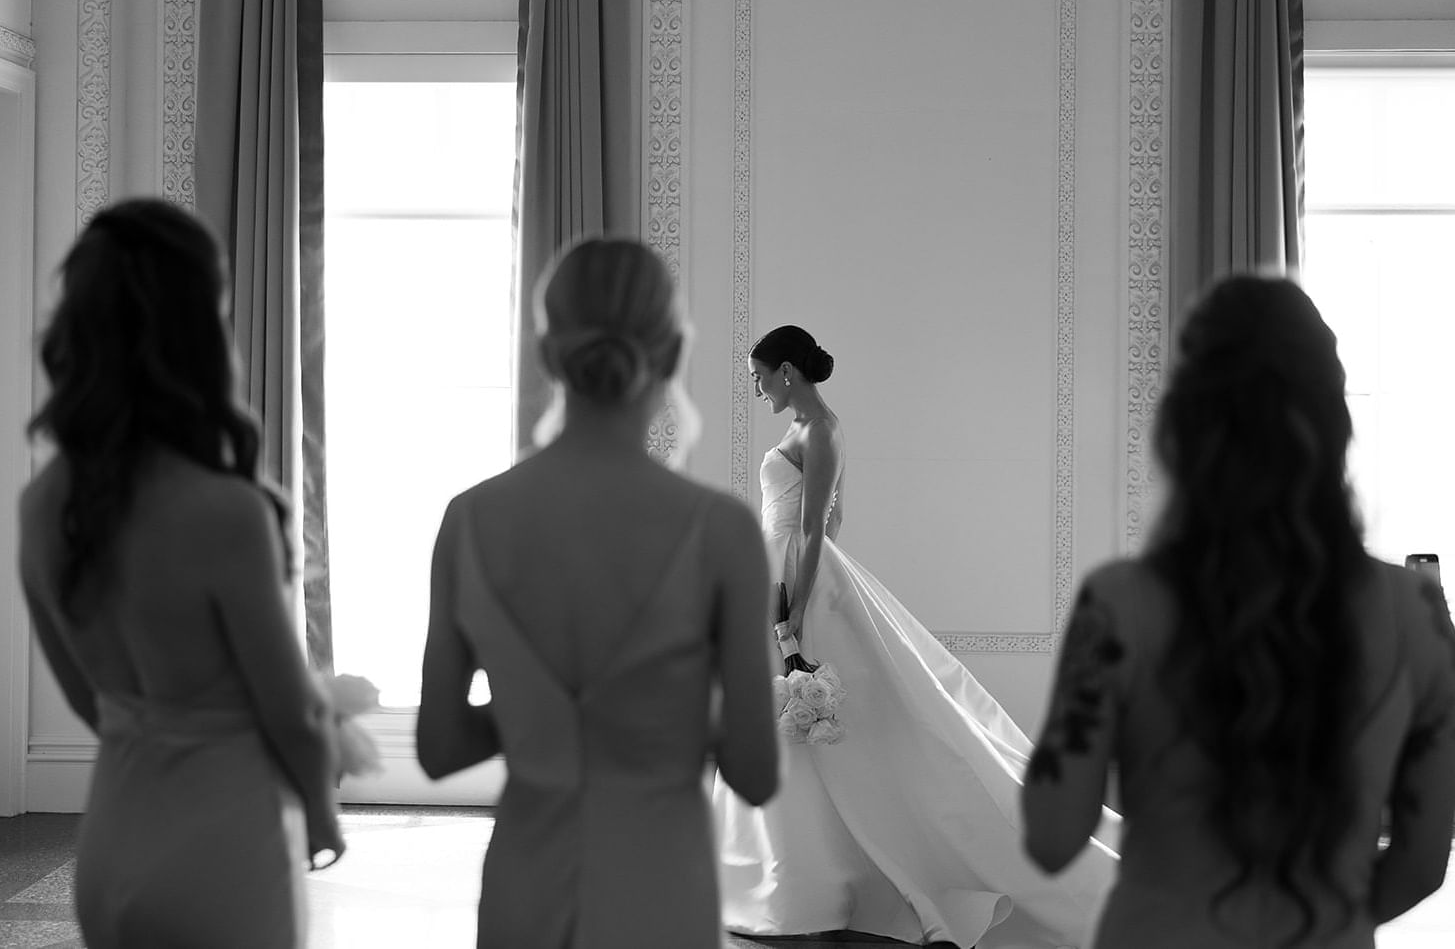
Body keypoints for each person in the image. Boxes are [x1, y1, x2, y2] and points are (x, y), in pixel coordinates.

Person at [1022, 275, 1455, 948]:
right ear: (1334, 423)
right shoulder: (1417, 613)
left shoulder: (1118, 605)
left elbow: (1051, 836)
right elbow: (1423, 865)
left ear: (1181, 428)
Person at [416, 237, 779, 949]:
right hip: (660, 892)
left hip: (523, 889)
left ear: (549, 358)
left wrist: (536, 715)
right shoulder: (720, 530)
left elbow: (438, 745)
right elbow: (755, 770)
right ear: (672, 354)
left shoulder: (470, 518)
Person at [713, 324, 1118, 949]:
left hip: (796, 586)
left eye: (759, 376)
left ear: (787, 372)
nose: (756, 388)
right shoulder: (804, 429)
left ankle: (808, 882)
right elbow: (834, 517)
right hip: (782, 576)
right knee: (781, 724)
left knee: (810, 720)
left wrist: (795, 609)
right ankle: (793, 877)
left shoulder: (820, 431)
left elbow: (821, 525)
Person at [18, 198, 343, 949]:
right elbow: (289, 709)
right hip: (219, 846)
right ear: (200, 328)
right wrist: (323, 816)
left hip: (110, 841)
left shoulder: (42, 505)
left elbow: (89, 701)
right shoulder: (223, 510)